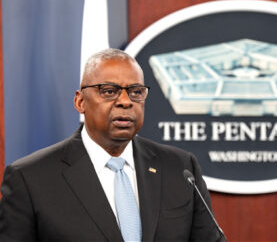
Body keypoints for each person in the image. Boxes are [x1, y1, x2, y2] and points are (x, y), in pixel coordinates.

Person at [0, 49, 221, 242]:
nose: (126, 101)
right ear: (80, 102)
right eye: (109, 91)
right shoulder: (30, 178)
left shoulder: (180, 168)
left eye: (136, 92)